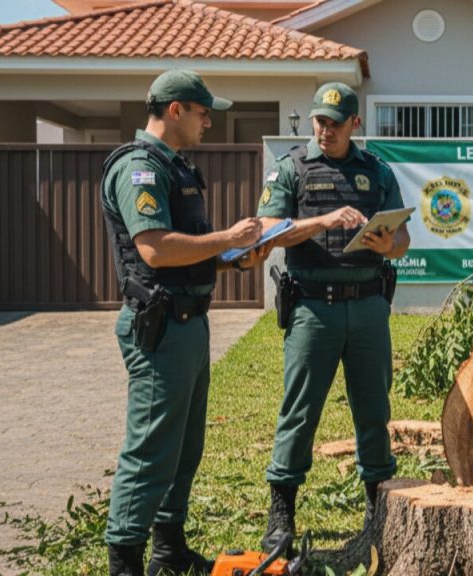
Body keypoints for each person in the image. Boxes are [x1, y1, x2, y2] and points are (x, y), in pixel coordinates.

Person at [101, 69, 266, 576]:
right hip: (161, 328)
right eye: (202, 112)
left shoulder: (177, 168)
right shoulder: (140, 169)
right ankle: (125, 561)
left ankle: (168, 550)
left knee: (184, 448)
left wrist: (235, 258)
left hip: (189, 324)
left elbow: (185, 255)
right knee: (151, 449)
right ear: (175, 111)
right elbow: (153, 247)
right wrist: (226, 237)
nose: (209, 122)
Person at [256, 82, 410, 553]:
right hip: (312, 308)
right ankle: (281, 513)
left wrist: (390, 243)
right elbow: (266, 233)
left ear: (354, 125)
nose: (325, 131)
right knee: (300, 411)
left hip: (367, 307)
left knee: (373, 410)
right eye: (320, 121)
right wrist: (321, 223)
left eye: (335, 124)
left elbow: (403, 240)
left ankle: (377, 507)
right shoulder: (291, 170)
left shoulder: (376, 172)